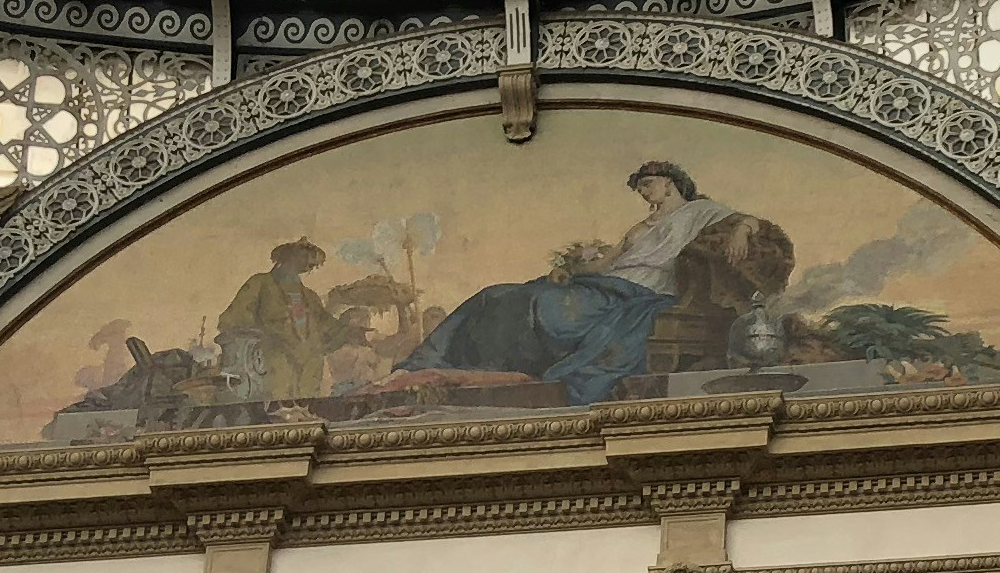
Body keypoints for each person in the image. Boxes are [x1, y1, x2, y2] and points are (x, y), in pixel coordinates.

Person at [397, 163, 749, 404]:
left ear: (668, 181)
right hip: (609, 283)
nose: (643, 193)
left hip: (642, 291)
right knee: (498, 294)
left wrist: (743, 233)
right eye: (640, 188)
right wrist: (571, 273)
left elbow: (748, 220)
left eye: (646, 184)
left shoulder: (699, 212)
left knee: (547, 307)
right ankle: (442, 359)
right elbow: (606, 263)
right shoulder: (641, 226)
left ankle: (517, 363)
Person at [219, 239, 340, 406]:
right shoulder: (260, 283)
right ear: (288, 256)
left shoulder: (310, 296)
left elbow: (328, 326)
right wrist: (266, 335)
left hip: (309, 364)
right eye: (304, 256)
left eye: (311, 259)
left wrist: (348, 327)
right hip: (271, 360)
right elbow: (233, 319)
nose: (310, 263)